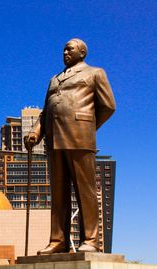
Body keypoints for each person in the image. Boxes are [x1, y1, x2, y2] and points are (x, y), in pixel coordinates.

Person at [25, 38, 115, 254]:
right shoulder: (54, 79)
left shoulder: (95, 73)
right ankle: (58, 240)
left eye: (70, 49)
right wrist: (36, 132)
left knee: (85, 190)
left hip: (80, 138)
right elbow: (46, 111)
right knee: (58, 193)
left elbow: (108, 106)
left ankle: (91, 240)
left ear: (82, 52)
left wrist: (86, 125)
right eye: (64, 49)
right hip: (54, 139)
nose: (65, 52)